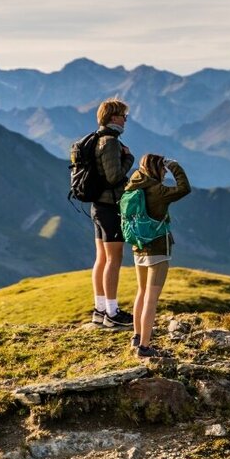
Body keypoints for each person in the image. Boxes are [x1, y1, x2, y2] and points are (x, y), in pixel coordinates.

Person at [124, 153, 191, 357]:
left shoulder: (133, 186)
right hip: (158, 249)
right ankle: (145, 347)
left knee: (141, 292)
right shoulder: (158, 190)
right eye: (162, 169)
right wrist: (175, 166)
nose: (164, 172)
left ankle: (137, 337)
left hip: (138, 246)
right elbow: (184, 188)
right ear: (156, 169)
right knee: (152, 299)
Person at [90, 98, 135, 329]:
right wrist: (129, 159)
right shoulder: (110, 143)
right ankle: (112, 313)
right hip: (110, 207)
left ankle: (100, 310)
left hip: (98, 206)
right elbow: (113, 177)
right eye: (123, 116)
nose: (126, 120)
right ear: (114, 117)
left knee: (101, 258)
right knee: (114, 259)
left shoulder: (97, 139)